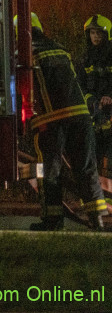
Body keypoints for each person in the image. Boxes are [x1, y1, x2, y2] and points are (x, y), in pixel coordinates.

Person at [22, 12, 108, 231]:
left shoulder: (25, 53)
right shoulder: (60, 49)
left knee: (49, 171)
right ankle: (97, 221)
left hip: (51, 121)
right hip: (81, 118)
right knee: (86, 169)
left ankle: (53, 220)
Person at [81, 14, 112, 175]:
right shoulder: (86, 58)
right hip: (93, 111)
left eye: (99, 33)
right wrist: (92, 101)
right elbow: (80, 85)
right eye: (93, 33)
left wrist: (109, 97)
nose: (95, 36)